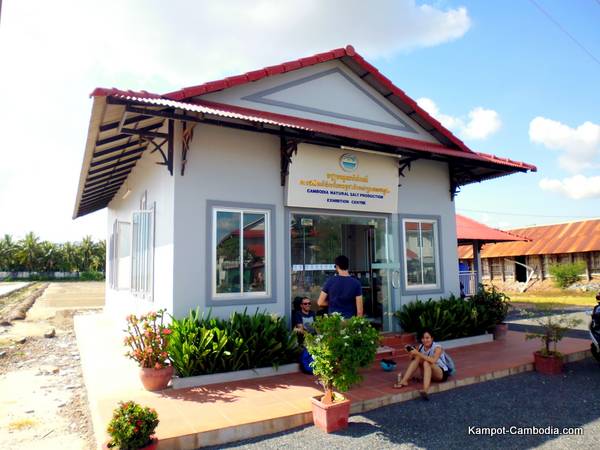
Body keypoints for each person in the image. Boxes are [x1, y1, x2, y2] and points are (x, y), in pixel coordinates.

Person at [393, 330, 451, 400]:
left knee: (426, 362)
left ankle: (425, 390)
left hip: (441, 373)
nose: (425, 340)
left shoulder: (438, 347)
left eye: (427, 338)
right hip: (429, 373)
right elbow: (412, 359)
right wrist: (410, 352)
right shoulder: (420, 347)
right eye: (423, 338)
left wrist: (418, 353)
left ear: (432, 338)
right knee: (417, 358)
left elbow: (433, 360)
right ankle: (404, 380)